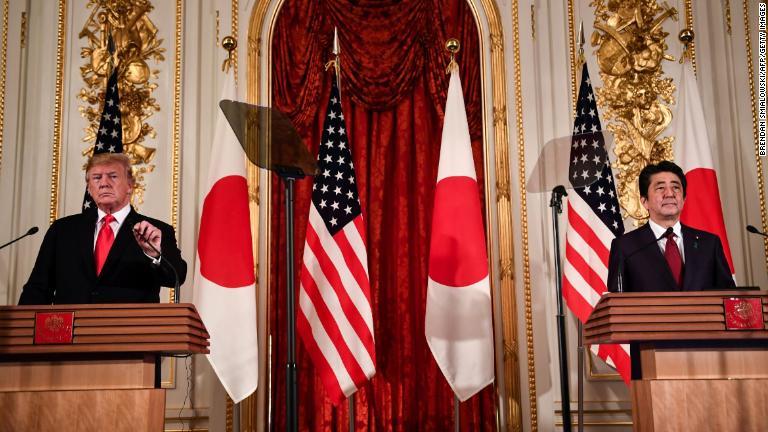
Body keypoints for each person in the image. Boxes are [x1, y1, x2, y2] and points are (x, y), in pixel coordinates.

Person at [18, 152, 186, 304]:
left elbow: (176, 277)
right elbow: (38, 288)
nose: (104, 183)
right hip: (70, 333)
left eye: (113, 176)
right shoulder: (62, 230)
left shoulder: (154, 231)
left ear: (130, 185)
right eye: (97, 178)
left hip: (130, 333)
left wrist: (154, 255)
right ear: (89, 188)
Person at [606, 160, 734, 292]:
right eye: (660, 188)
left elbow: (729, 297)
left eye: (676, 187)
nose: (670, 193)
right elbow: (617, 303)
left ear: (683, 200)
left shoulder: (709, 244)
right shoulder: (626, 247)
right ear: (644, 201)